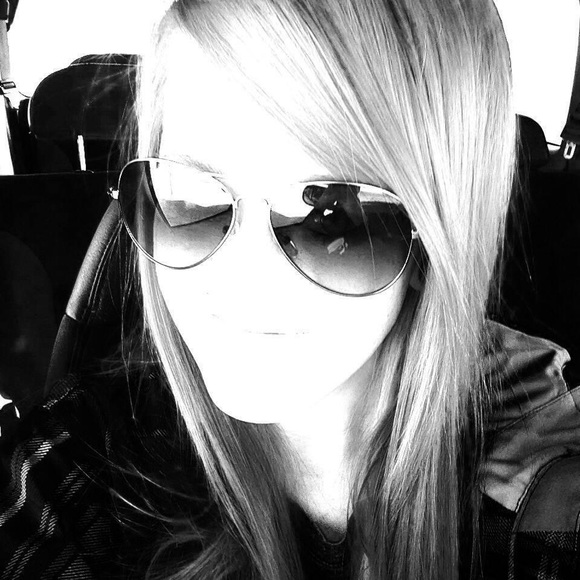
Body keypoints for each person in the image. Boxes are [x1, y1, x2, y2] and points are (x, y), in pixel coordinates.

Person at [0, 0, 579, 579]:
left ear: (436, 234)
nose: (242, 277)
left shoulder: (548, 488)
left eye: (333, 215)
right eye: (191, 195)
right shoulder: (83, 461)